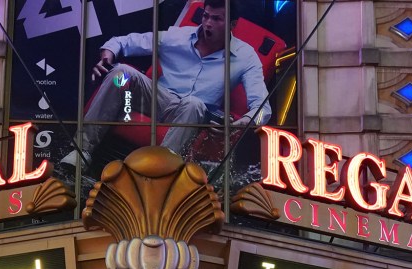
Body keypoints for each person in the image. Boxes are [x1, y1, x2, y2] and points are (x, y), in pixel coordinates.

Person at [65, 0, 271, 168]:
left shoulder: (245, 56)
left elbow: (263, 108)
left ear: (232, 25)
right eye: (206, 16)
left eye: (216, 19)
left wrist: (241, 123)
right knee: (122, 73)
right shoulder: (177, 36)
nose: (208, 23)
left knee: (194, 103)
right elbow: (124, 41)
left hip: (192, 112)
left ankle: (159, 170)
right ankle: (82, 150)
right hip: (158, 96)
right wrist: (107, 55)